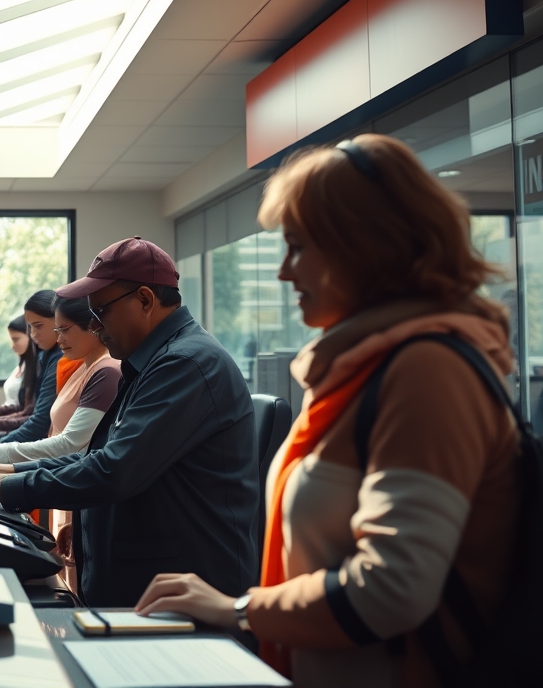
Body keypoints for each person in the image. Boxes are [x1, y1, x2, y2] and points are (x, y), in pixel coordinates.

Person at [131, 136, 522, 688]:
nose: (284, 273)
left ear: (364, 246)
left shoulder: (428, 371)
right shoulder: (360, 370)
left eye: (297, 247)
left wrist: (239, 609)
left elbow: (393, 588)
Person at [0, 237, 258, 609]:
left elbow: (114, 471)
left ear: (144, 300)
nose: (93, 326)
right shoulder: (150, 361)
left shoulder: (184, 364)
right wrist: (7, 472)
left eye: (102, 312)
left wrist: (10, 487)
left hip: (173, 586)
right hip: (144, 576)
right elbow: (98, 454)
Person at [0, 296, 121, 465]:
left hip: (58, 471)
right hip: (50, 466)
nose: (59, 340)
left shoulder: (107, 372)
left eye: (64, 330)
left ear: (92, 326)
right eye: (57, 331)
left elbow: (70, 445)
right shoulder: (80, 367)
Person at [0, 290, 61, 437]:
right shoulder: (45, 357)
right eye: (30, 328)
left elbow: (39, 420)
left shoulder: (58, 358)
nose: (33, 334)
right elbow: (28, 411)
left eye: (38, 326)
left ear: (58, 321)